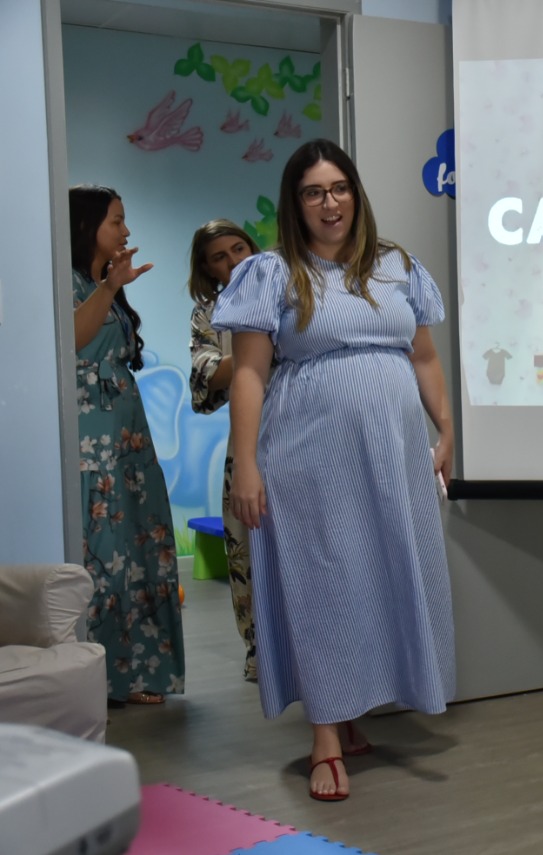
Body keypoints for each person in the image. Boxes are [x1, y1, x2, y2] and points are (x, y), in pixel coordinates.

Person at [212, 139, 456, 802]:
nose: (330, 202)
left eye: (339, 187)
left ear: (356, 193)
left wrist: (447, 424)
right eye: (314, 191)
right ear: (297, 203)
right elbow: (250, 374)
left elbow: (424, 357)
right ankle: (323, 735)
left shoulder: (395, 266)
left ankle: (350, 711)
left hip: (392, 456)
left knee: (374, 576)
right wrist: (247, 465)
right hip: (309, 454)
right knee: (323, 582)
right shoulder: (271, 273)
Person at [69, 184, 185, 706]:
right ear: (86, 227)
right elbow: (70, 342)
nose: (126, 230)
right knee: (104, 554)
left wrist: (112, 287)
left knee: (138, 551)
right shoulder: (68, 283)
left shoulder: (100, 285)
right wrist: (110, 288)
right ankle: (98, 679)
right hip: (92, 442)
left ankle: (136, 671)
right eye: (117, 220)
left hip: (127, 438)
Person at [187, 219, 261, 682]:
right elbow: (204, 375)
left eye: (239, 248)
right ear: (208, 268)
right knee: (245, 548)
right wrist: (258, 349)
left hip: (303, 438)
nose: (234, 260)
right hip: (246, 444)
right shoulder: (209, 313)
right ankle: (261, 651)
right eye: (220, 256)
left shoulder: (290, 294)